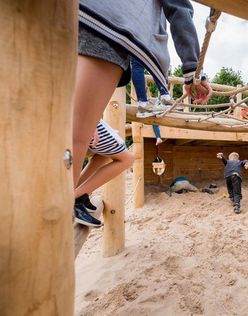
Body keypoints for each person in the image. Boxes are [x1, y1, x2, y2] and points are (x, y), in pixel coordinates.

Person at [73, 1, 212, 225]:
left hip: (73, 17)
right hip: (110, 29)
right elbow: (179, 10)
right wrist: (192, 71)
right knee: (74, 141)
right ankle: (68, 201)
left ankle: (73, 196)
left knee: (72, 137)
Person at [74, 120, 134, 227]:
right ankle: (76, 197)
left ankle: (76, 190)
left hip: (87, 120)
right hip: (88, 121)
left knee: (104, 155)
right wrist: (91, 125)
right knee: (127, 159)